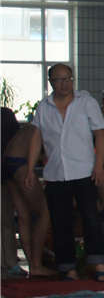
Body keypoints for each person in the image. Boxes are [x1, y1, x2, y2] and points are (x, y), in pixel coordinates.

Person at [23, 64, 104, 281]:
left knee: (91, 218)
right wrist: (30, 168)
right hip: (56, 172)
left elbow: (100, 134)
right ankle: (67, 267)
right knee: (61, 222)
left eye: (68, 79)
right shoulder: (44, 107)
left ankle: (98, 264)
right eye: (59, 80)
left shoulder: (86, 102)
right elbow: (36, 137)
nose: (65, 84)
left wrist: (99, 166)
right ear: (51, 82)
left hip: (85, 170)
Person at [3, 113, 53, 276]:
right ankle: (37, 264)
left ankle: (33, 263)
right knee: (45, 212)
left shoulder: (30, 126)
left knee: (24, 215)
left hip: (7, 162)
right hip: (20, 163)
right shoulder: (49, 122)